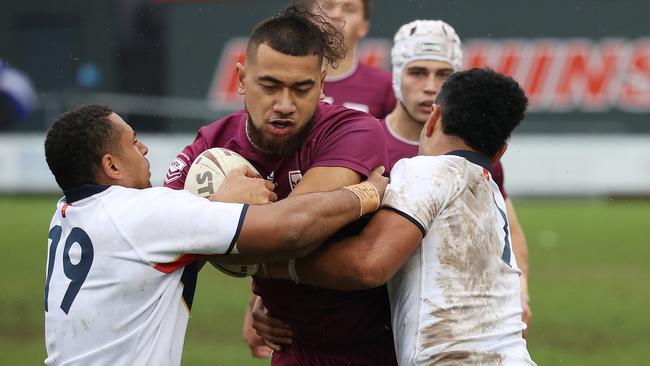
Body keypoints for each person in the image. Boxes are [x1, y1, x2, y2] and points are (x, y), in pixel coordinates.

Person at [43, 104, 387, 365]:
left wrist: (217, 204)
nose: (145, 148)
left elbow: (161, 252)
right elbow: (291, 229)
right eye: (134, 142)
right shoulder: (144, 213)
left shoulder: (65, 214)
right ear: (112, 166)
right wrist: (365, 194)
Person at [163, 4, 396, 365]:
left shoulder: (354, 130)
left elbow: (295, 230)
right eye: (269, 86)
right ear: (241, 79)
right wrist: (216, 209)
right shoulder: (211, 145)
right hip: (291, 346)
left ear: (321, 85)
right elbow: (162, 243)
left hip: (377, 347)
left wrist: (212, 232)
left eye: (302, 89)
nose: (284, 104)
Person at [260, 68, 536, 365]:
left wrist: (272, 264)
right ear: (500, 153)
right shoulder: (491, 191)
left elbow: (368, 264)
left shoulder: (426, 171)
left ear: (433, 119)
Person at [381, 20, 532, 331]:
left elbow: (509, 228)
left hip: (445, 327)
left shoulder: (476, 150)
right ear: (397, 76)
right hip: (370, 322)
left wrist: (521, 287)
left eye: (443, 75)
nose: (430, 86)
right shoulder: (363, 142)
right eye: (418, 72)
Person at [297, 0, 395, 118]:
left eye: (349, 9)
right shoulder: (286, 76)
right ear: (310, 19)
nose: (336, 15)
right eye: (327, 6)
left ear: (364, 27)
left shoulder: (386, 86)